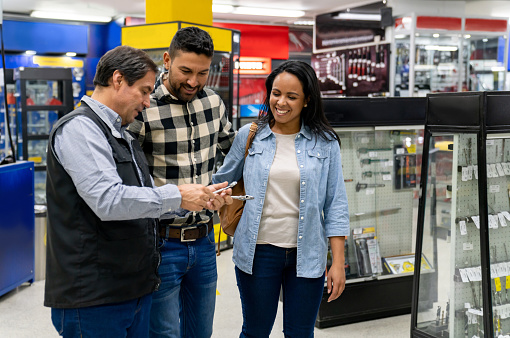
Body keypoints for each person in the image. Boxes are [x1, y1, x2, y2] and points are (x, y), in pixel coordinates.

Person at [44, 45, 231, 338]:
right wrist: (179, 196)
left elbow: (137, 200)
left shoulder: (119, 132)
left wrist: (196, 197)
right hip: (94, 295)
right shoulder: (80, 129)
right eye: (144, 91)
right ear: (118, 80)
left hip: (130, 286)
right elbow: (108, 199)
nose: (147, 101)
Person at [212, 60, 350, 337]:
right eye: (276, 93)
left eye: (291, 96)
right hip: (257, 252)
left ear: (307, 100)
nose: (281, 102)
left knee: (300, 333)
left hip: (307, 253)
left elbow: (336, 204)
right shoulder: (250, 136)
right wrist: (221, 195)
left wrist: (337, 263)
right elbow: (220, 182)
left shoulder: (325, 143)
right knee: (256, 331)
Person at [128, 27, 236, 337]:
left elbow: (233, 155)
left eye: (202, 73)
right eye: (185, 71)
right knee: (164, 334)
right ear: (167, 60)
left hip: (203, 243)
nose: (193, 81)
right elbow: (127, 176)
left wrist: (224, 189)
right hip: (160, 243)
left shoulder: (214, 103)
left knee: (200, 332)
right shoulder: (144, 108)